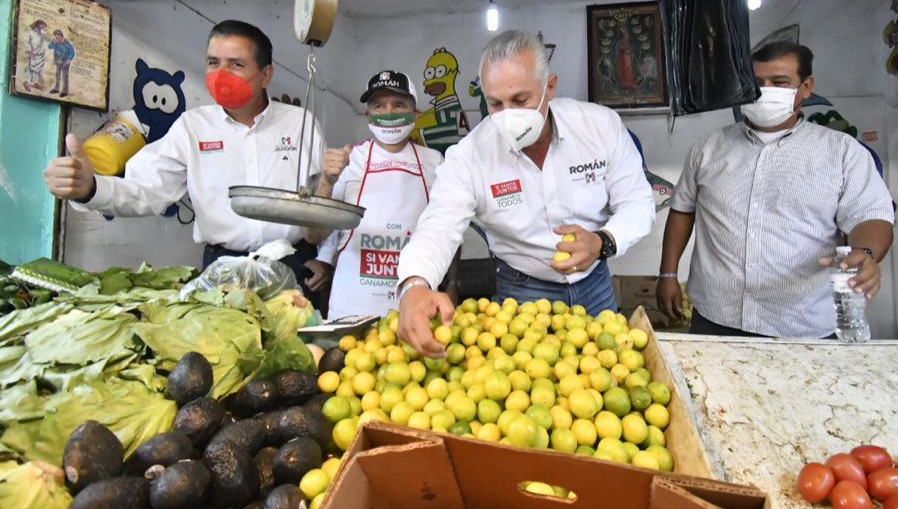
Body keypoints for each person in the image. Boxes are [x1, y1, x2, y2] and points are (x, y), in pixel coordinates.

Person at [396, 30, 655, 357]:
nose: (508, 115)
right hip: (521, 291)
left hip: (594, 285)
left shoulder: (599, 127)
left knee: (603, 375)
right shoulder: (470, 156)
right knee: (527, 384)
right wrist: (414, 284)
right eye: (494, 103)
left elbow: (637, 202)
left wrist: (603, 241)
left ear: (550, 86)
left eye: (520, 100)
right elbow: (439, 225)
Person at [42, 19, 326, 292]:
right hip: (223, 269)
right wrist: (90, 189)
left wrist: (327, 257)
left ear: (266, 75)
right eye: (213, 63)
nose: (221, 74)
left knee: (300, 341)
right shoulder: (193, 127)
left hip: (293, 265)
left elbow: (326, 197)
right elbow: (147, 190)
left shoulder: (300, 123)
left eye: (236, 65)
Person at [655, 42, 895, 339]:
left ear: (806, 87)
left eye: (779, 83)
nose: (764, 92)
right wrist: (667, 274)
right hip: (716, 316)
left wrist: (865, 252)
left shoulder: (842, 152)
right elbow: (682, 210)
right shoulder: (708, 148)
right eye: (756, 84)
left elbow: (871, 216)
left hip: (802, 323)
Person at [302, 70, 444, 321]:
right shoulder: (349, 160)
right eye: (379, 105)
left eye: (399, 104)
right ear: (368, 115)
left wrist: (451, 286)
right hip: (353, 307)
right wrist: (326, 181)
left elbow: (447, 230)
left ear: (416, 114)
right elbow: (314, 235)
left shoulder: (435, 162)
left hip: (413, 307)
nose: (389, 113)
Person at [23, 19, 50, 92]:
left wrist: (47, 33)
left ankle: (35, 83)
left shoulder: (42, 34)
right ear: (38, 24)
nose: (43, 27)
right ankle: (26, 82)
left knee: (38, 70)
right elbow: (27, 42)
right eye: (42, 25)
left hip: (40, 55)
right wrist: (29, 51)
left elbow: (48, 39)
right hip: (33, 53)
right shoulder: (30, 33)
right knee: (29, 68)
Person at [49, 29, 75, 98]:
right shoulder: (55, 41)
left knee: (65, 76)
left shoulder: (67, 44)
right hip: (58, 60)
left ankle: (65, 91)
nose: (57, 38)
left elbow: (72, 52)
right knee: (57, 74)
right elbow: (49, 47)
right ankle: (56, 89)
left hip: (65, 61)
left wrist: (69, 59)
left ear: (61, 36)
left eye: (58, 36)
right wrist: (53, 42)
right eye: (55, 36)